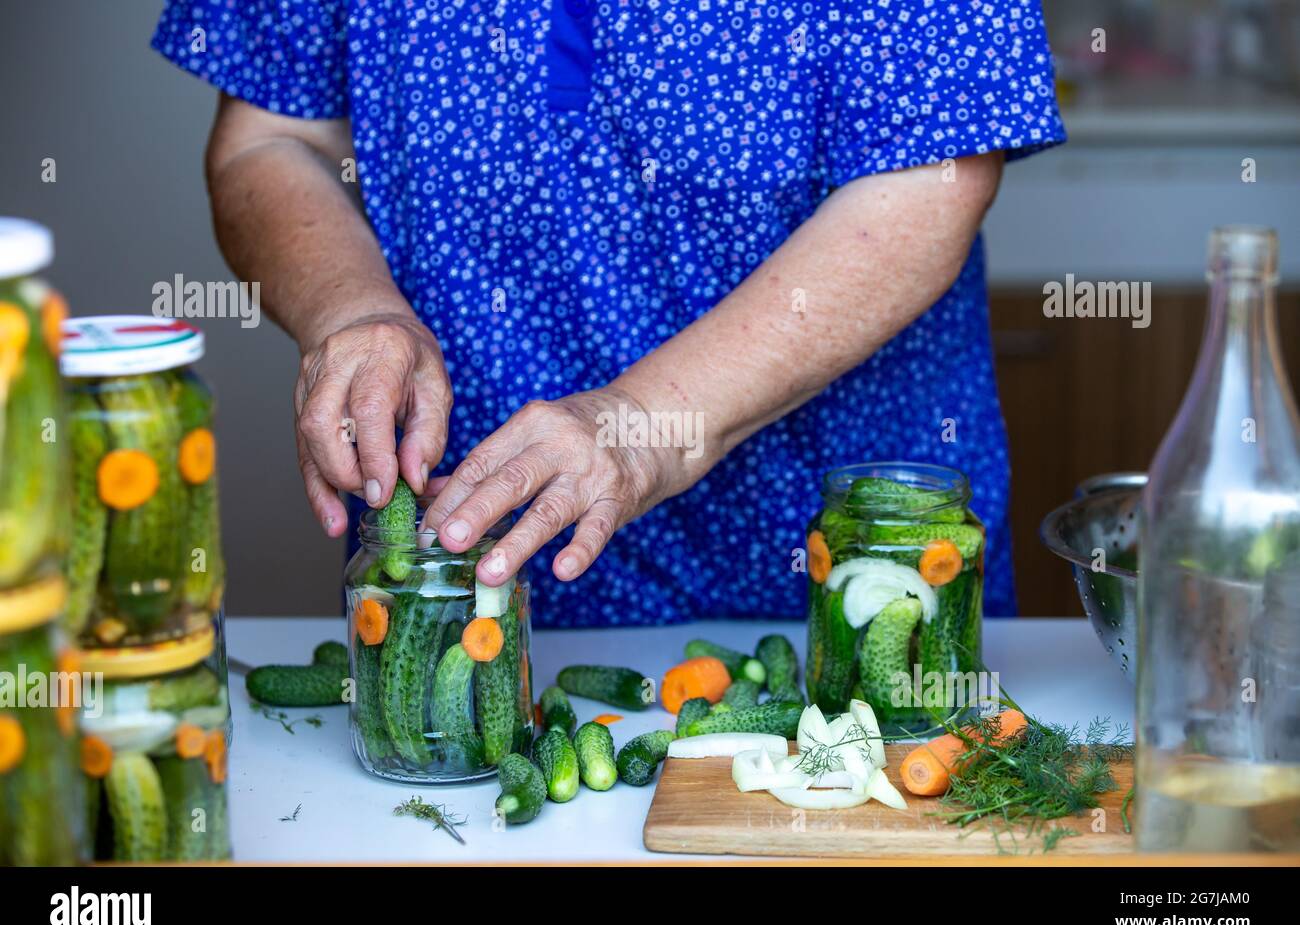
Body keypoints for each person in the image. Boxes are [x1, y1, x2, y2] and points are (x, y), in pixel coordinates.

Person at [154, 0, 1066, 626]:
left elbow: (932, 180)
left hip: (844, 570)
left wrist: (638, 428)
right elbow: (269, 141)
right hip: (478, 595)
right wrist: (349, 312)